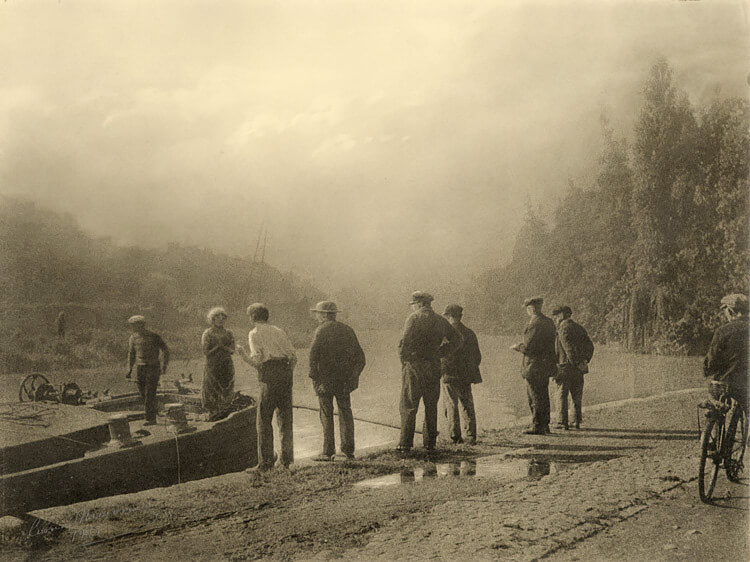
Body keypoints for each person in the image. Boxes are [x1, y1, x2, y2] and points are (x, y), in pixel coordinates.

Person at [397, 291, 462, 453]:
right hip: (433, 366)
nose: (413, 307)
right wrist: (441, 352)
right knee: (431, 405)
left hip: (414, 366)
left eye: (413, 304)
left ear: (419, 304)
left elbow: (403, 344)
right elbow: (458, 340)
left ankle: (405, 444)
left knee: (409, 405)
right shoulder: (440, 320)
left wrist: (405, 361)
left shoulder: (413, 318)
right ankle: (430, 443)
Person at [237, 303, 297, 471]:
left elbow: (257, 362)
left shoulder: (254, 333)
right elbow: (294, 357)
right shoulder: (279, 331)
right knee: (285, 419)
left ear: (252, 318)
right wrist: (286, 373)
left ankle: (265, 463)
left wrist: (242, 354)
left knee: (263, 419)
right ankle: (286, 461)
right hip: (285, 374)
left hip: (269, 375)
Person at [308, 301, 366, 461]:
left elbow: (312, 358)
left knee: (326, 414)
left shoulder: (320, 331)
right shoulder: (347, 330)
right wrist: (353, 377)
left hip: (325, 382)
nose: (317, 317)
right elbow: (361, 359)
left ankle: (327, 452)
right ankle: (347, 451)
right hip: (344, 381)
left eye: (319, 314)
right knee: (345, 412)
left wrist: (315, 379)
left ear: (325, 315)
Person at [511, 297, 556, 435]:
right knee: (543, 395)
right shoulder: (549, 322)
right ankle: (545, 424)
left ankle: (537, 425)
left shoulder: (535, 324)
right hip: (545, 365)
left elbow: (529, 347)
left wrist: (517, 347)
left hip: (533, 365)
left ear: (530, 309)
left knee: (534, 396)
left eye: (528, 308)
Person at [441, 304, 482, 445]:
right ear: (460, 316)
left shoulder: (446, 335)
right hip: (466, 376)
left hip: (449, 375)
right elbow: (477, 357)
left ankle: (455, 436)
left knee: (451, 405)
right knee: (467, 404)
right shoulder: (470, 333)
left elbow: (442, 356)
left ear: (449, 317)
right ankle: (471, 435)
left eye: (447, 316)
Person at [551, 305, 594, 430]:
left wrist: (575, 362)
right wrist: (584, 361)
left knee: (561, 395)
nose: (555, 319)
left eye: (556, 316)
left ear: (562, 315)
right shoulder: (579, 328)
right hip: (579, 368)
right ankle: (576, 421)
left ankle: (562, 422)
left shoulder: (563, 329)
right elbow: (590, 346)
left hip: (565, 368)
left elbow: (568, 349)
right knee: (576, 396)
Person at [703, 294, 749, 414]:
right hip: (745, 384)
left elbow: (711, 360)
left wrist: (707, 370)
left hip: (723, 384)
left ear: (729, 310)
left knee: (714, 402)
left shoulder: (723, 331)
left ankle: (709, 427)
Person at [125, 315, 170, 425]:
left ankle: (150, 419)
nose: (132, 328)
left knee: (150, 392)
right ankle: (154, 410)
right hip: (140, 367)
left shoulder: (153, 336)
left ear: (141, 325)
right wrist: (129, 369)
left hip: (153, 367)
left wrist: (164, 366)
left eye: (134, 325)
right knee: (142, 392)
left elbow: (165, 350)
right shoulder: (133, 338)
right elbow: (131, 354)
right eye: (131, 326)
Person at [201, 307, 236, 420]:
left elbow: (232, 350)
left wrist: (223, 347)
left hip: (226, 364)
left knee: (227, 387)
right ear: (212, 319)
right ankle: (213, 413)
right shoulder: (208, 333)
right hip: (212, 366)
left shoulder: (229, 333)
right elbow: (206, 352)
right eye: (217, 317)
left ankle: (224, 413)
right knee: (212, 388)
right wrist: (218, 347)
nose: (221, 319)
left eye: (223, 317)